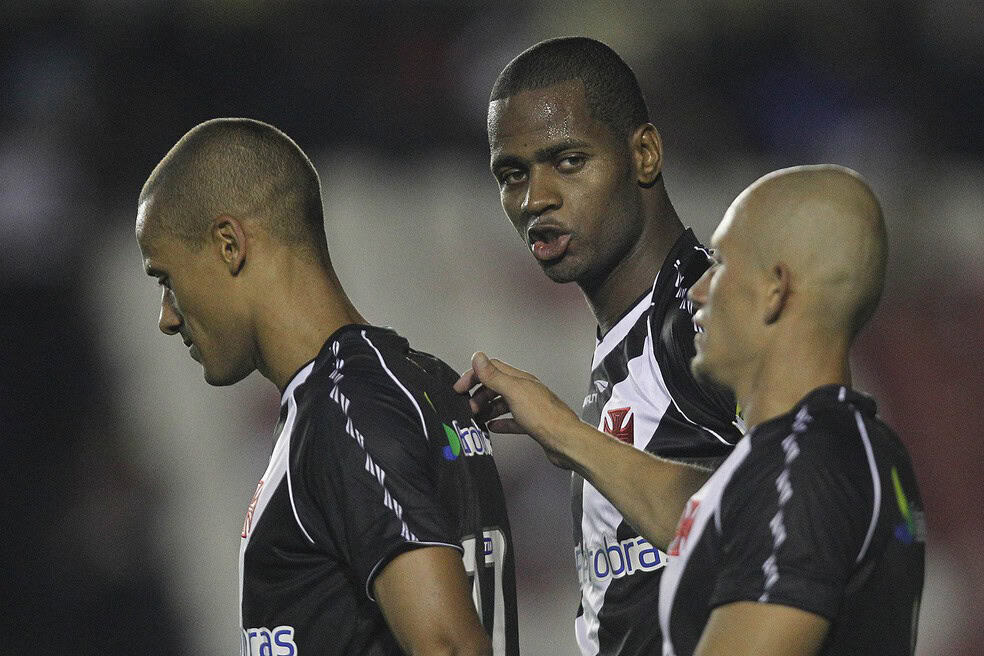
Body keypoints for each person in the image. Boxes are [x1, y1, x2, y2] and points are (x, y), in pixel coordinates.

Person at [456, 165, 925, 655]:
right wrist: (562, 432)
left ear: (775, 289)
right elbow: (704, 509)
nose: (698, 290)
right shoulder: (854, 449)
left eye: (720, 264)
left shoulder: (798, 471)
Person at [135, 118, 518, 656]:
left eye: (166, 279)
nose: (167, 317)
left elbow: (450, 648)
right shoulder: (412, 379)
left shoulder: (347, 405)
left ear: (228, 244)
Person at [485, 36, 742, 655]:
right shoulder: (632, 333)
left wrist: (567, 436)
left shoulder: (707, 316)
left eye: (568, 161)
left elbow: (783, 519)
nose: (533, 199)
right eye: (512, 173)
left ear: (644, 153)